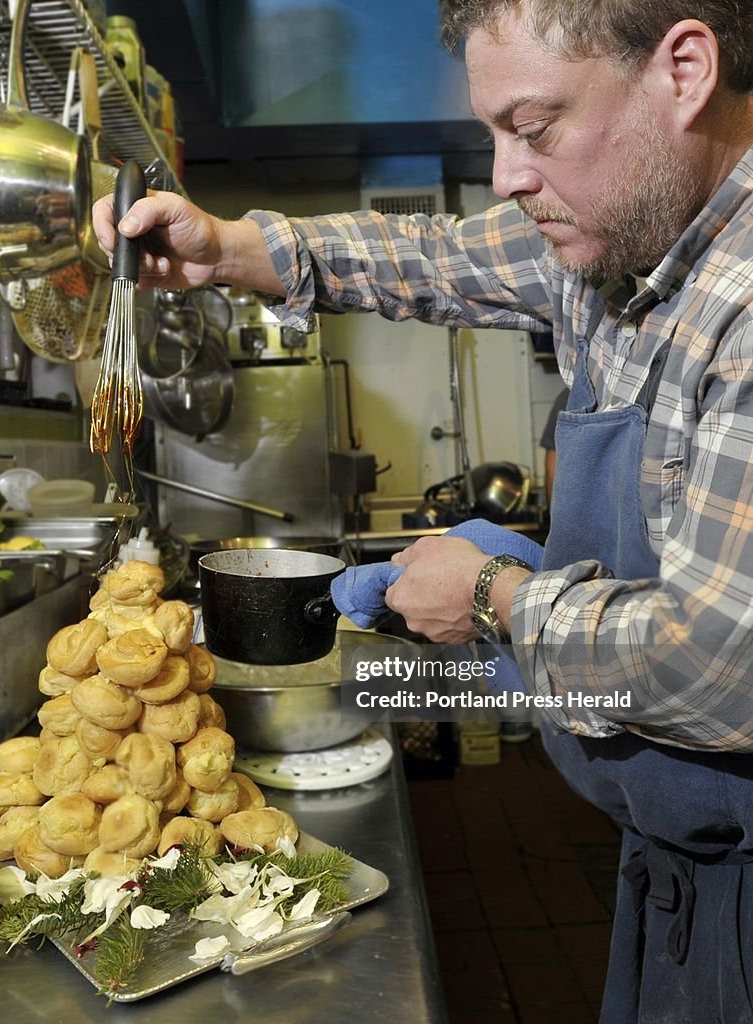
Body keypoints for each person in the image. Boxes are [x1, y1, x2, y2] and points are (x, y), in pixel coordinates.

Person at [94, 2, 753, 1019]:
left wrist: (496, 596)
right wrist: (225, 247)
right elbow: (430, 259)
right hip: (669, 859)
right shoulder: (624, 239)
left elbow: (719, 674)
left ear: (682, 69)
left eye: (531, 129)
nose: (505, 175)